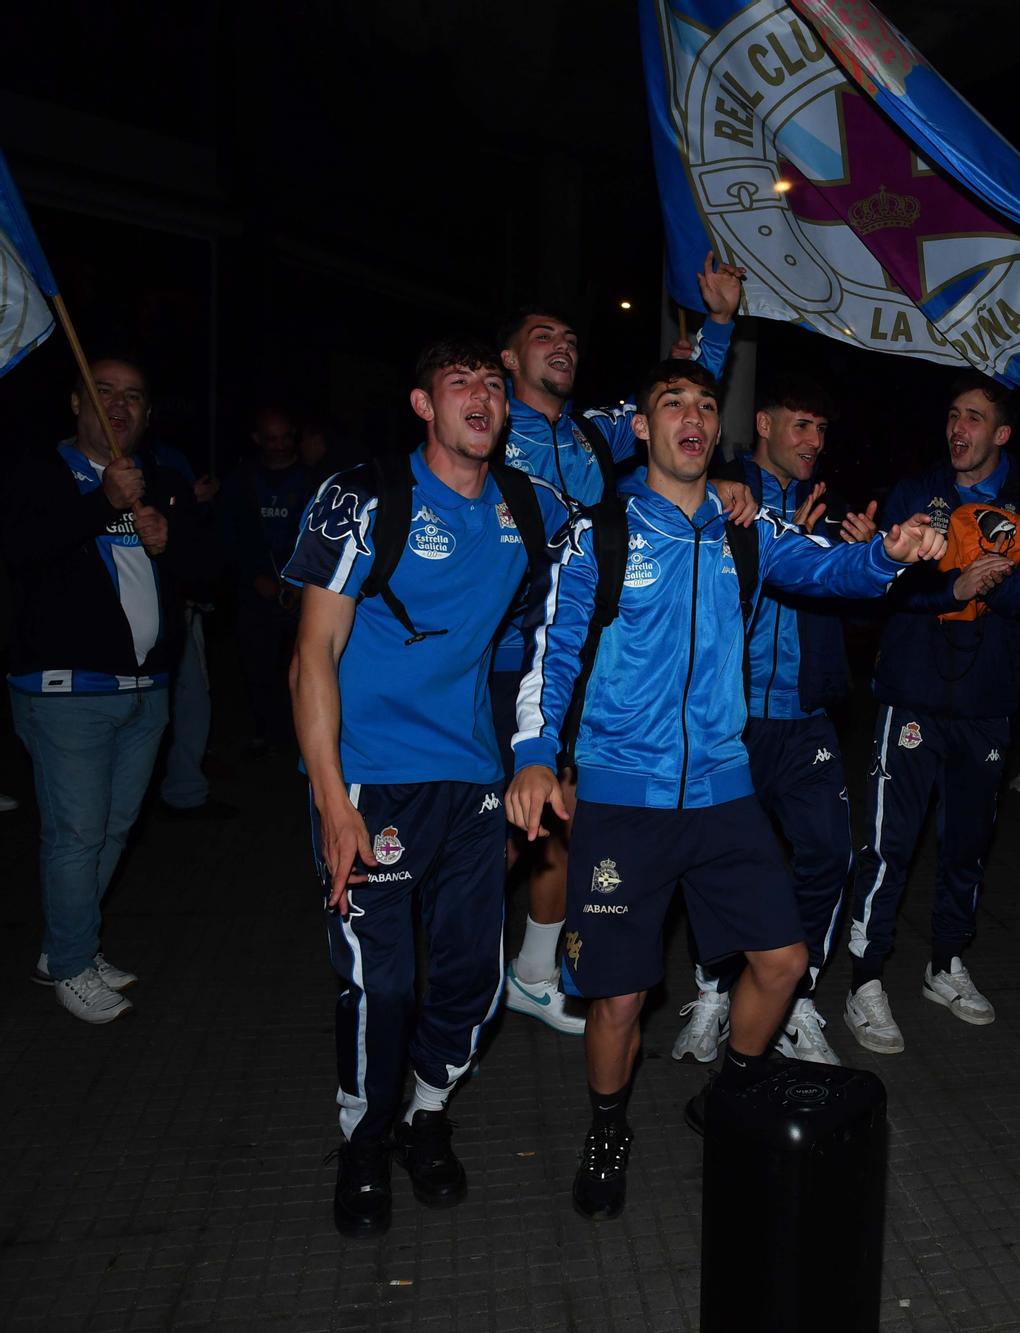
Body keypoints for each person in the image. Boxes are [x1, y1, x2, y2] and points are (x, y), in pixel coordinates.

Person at [505, 355, 943, 1221]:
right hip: (624, 798)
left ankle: (731, 1089)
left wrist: (886, 556)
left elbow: (829, 572)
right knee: (621, 997)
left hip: (721, 788)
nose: (692, 416)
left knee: (782, 963)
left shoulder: (748, 530)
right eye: (672, 402)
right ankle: (606, 1129)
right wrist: (532, 750)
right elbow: (551, 652)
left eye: (706, 403)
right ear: (642, 426)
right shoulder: (603, 531)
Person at [287, 338, 575, 1238]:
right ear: (424, 405)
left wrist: (728, 492)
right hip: (372, 779)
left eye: (492, 383)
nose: (483, 396)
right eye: (461, 384)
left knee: (471, 978)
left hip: (475, 776)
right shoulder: (366, 499)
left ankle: (426, 1110)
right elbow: (312, 656)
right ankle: (365, 1140)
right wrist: (335, 802)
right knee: (384, 983)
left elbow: (625, 531)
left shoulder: (529, 507)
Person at [491, 253, 743, 1038]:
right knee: (494, 832)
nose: (562, 345)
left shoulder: (598, 435)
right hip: (497, 657)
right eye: (542, 336)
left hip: (580, 659)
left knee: (555, 824)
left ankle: (532, 973)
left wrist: (721, 324)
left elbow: (677, 404)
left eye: (569, 336)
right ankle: (466, 968)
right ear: (508, 360)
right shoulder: (490, 429)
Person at [669, 374, 879, 1067]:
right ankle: (714, 988)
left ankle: (795, 995)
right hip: (727, 721)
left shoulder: (833, 507)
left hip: (806, 717)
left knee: (828, 852)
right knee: (714, 862)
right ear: (763, 423)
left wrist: (864, 560)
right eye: (801, 425)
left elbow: (856, 618)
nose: (814, 442)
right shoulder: (721, 493)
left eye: (822, 430)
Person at [843, 375, 1020, 1053]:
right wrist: (952, 583)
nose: (958, 428)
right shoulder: (916, 493)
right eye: (953, 415)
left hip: (988, 708)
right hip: (911, 696)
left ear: (1001, 434)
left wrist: (992, 584)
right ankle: (864, 977)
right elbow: (888, 587)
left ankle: (944, 964)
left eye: (975, 418)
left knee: (966, 847)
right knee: (888, 845)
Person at [3, 357, 194, 1023]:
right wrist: (100, 505)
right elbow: (18, 551)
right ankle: (74, 963)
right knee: (76, 832)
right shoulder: (36, 472)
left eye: (133, 396)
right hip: (66, 692)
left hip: (147, 688)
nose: (119, 406)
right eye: (103, 392)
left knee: (113, 827)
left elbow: (204, 573)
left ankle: (66, 946)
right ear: (75, 401)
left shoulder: (161, 479)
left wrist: (172, 542)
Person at [223, 407, 320, 760]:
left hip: (304, 593)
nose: (279, 446)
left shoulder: (314, 481)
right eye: (271, 438)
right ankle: (265, 733)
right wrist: (253, 578)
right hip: (256, 594)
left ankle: (304, 737)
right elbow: (228, 538)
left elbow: (324, 539)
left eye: (285, 437)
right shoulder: (239, 481)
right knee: (257, 666)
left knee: (306, 666)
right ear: (257, 440)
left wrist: (301, 583)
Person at [146, 435, 227, 816]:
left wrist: (193, 505)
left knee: (192, 697)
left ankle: (185, 790)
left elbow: (197, 543)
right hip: (118, 630)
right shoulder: (65, 465)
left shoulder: (169, 460)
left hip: (179, 607)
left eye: (134, 397)